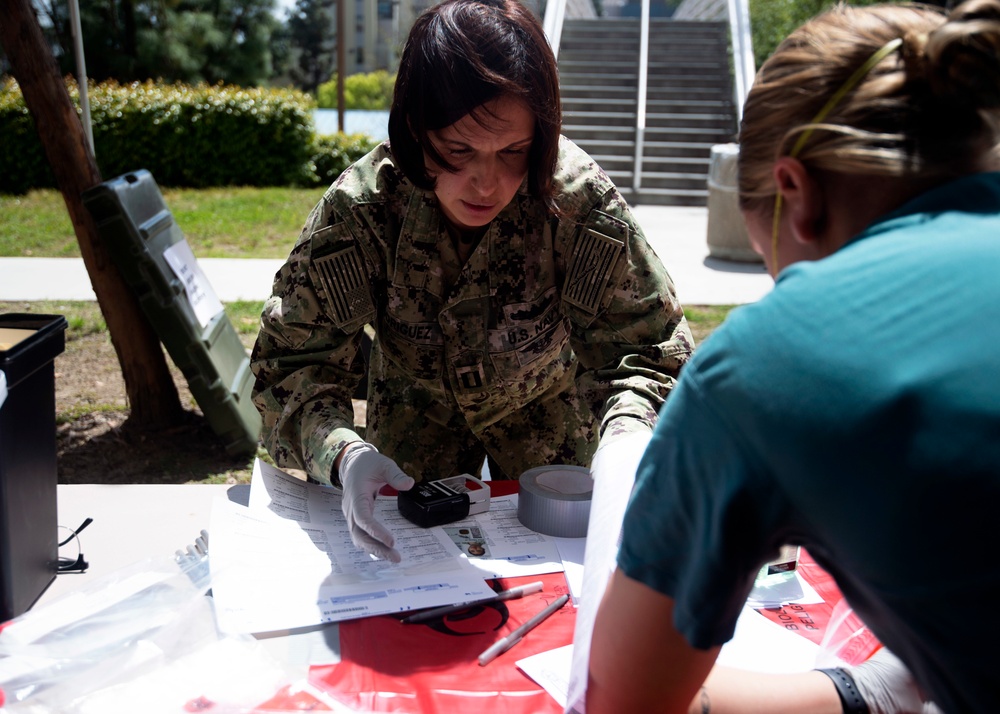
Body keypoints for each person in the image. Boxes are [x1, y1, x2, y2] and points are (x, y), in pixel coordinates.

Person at [587, 1, 1000, 712]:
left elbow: (626, 696)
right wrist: (866, 691)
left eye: (766, 255)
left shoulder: (765, 363)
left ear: (794, 194)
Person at [251, 0, 691, 563]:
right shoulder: (363, 209)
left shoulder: (577, 203)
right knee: (410, 580)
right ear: (415, 131)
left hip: (552, 433)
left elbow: (652, 352)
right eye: (458, 150)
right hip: (409, 430)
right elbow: (290, 365)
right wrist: (343, 455)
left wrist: (627, 439)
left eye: (514, 152)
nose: (487, 183)